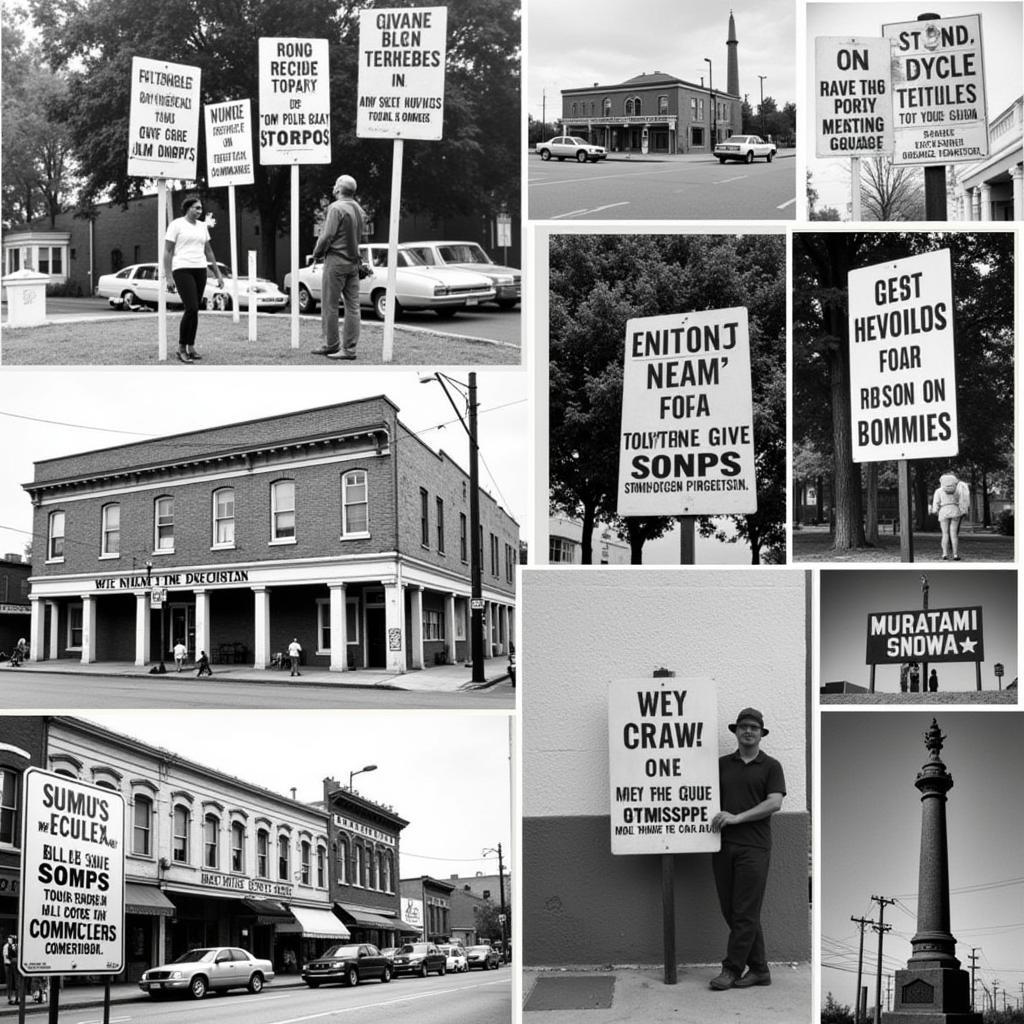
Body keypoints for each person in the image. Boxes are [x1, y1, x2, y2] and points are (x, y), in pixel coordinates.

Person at [709, 708, 786, 992]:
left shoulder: (771, 766)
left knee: (745, 911)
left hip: (754, 847)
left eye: (754, 727)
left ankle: (731, 969)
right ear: (736, 731)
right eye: (743, 727)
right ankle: (760, 970)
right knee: (732, 910)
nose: (748, 731)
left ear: (761, 733)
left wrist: (738, 817)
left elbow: (774, 803)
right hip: (722, 845)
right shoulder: (721, 765)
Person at [163, 194, 225, 364]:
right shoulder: (176, 225)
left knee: (196, 309)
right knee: (190, 307)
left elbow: (209, 251)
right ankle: (181, 348)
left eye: (201, 208)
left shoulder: (202, 227)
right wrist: (168, 276)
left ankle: (191, 346)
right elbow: (167, 251)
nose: (200, 211)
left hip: (200, 269)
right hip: (182, 269)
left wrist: (218, 274)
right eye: (196, 208)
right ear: (187, 208)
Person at [310, 175, 366, 361]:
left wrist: (317, 252)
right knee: (353, 306)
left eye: (335, 184)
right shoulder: (359, 209)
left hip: (336, 261)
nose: (333, 187)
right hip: (353, 263)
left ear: (339, 189)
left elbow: (327, 236)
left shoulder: (335, 208)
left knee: (330, 304)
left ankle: (331, 344)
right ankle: (349, 349)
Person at [930, 472, 969, 561]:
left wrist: (935, 511)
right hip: (955, 511)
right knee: (954, 534)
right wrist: (963, 510)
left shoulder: (939, 491)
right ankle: (955, 554)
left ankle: (944, 554)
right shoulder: (958, 490)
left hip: (944, 511)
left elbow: (936, 504)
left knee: (945, 534)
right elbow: (963, 500)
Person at [3, 933, 17, 1004]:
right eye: (11, 939)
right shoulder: (6, 946)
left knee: (15, 981)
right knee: (9, 982)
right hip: (8, 965)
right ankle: (9, 998)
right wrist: (14, 959)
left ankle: (16, 997)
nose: (12, 940)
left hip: (13, 965)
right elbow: (7, 956)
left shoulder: (14, 946)